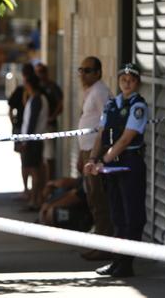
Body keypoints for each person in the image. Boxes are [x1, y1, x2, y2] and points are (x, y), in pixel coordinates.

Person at [84, 63, 149, 278]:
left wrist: (103, 160)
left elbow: (125, 139)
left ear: (137, 82)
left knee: (133, 217)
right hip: (112, 166)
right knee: (117, 216)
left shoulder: (139, 106)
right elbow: (101, 134)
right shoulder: (111, 105)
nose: (127, 82)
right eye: (123, 79)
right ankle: (116, 261)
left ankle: (126, 263)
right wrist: (93, 158)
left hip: (130, 164)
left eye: (131, 79)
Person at [76, 57, 114, 261]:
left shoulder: (100, 92)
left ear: (98, 72)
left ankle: (104, 245)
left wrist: (95, 157)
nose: (83, 74)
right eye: (81, 69)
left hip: (95, 152)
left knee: (99, 199)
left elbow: (105, 126)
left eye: (88, 70)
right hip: (86, 151)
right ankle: (99, 241)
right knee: (91, 198)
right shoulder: (91, 90)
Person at [19, 73, 49, 210]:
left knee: (35, 171)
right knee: (34, 170)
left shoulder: (37, 99)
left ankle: (35, 200)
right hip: (33, 139)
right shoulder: (34, 98)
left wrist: (26, 141)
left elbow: (32, 122)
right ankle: (35, 198)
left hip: (33, 140)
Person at [8, 63, 37, 199]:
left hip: (29, 131)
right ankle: (27, 189)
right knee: (25, 160)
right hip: (21, 128)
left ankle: (30, 190)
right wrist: (13, 122)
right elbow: (11, 106)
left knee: (29, 162)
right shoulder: (21, 91)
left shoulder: (35, 95)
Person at [34, 63, 63, 180]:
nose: (39, 75)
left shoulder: (52, 87)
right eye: (37, 72)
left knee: (49, 156)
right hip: (36, 128)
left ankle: (49, 184)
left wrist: (51, 117)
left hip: (49, 127)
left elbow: (60, 104)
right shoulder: (35, 87)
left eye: (41, 72)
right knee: (38, 159)